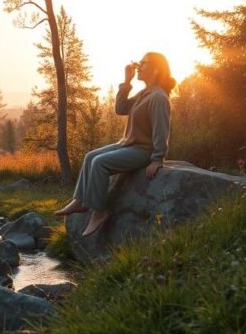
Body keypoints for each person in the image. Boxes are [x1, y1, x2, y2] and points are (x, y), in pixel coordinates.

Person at [54, 52, 177, 237]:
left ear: (156, 69)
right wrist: (127, 81)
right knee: (90, 157)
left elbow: (161, 131)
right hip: (128, 144)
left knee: (100, 163)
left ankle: (99, 212)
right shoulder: (145, 94)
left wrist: (157, 159)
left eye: (143, 63)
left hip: (143, 150)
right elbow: (121, 109)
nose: (138, 66)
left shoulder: (158, 97)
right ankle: (80, 200)